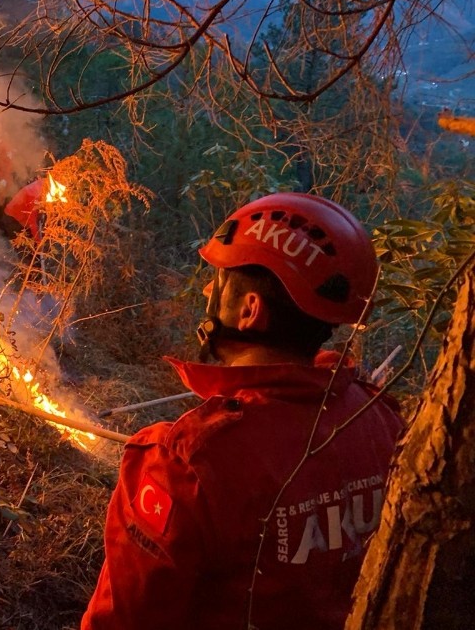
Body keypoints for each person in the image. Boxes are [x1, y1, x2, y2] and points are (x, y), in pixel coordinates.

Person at [81, 192, 404, 630]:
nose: (208, 289)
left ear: (250, 311)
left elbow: (125, 621)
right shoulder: (381, 419)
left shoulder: (184, 463)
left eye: (221, 280)